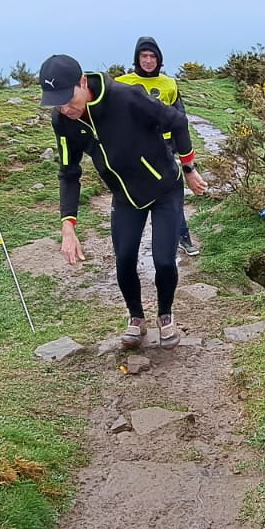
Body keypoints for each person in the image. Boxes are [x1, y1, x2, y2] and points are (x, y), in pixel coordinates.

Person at [41, 54, 207, 349]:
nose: (65, 108)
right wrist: (68, 225)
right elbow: (69, 172)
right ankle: (136, 318)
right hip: (125, 196)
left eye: (68, 98)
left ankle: (165, 315)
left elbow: (178, 121)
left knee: (164, 260)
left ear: (83, 82)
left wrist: (189, 167)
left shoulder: (126, 97)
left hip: (164, 188)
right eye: (57, 103)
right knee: (125, 259)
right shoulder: (63, 121)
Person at [115, 37, 200, 255]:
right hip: (134, 151)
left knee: (169, 193)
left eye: (153, 56)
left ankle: (182, 237)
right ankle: (127, 245)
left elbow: (180, 117)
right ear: (137, 58)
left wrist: (182, 152)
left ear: (159, 59)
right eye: (144, 56)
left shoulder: (169, 84)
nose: (148, 60)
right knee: (131, 195)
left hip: (164, 149)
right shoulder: (121, 82)